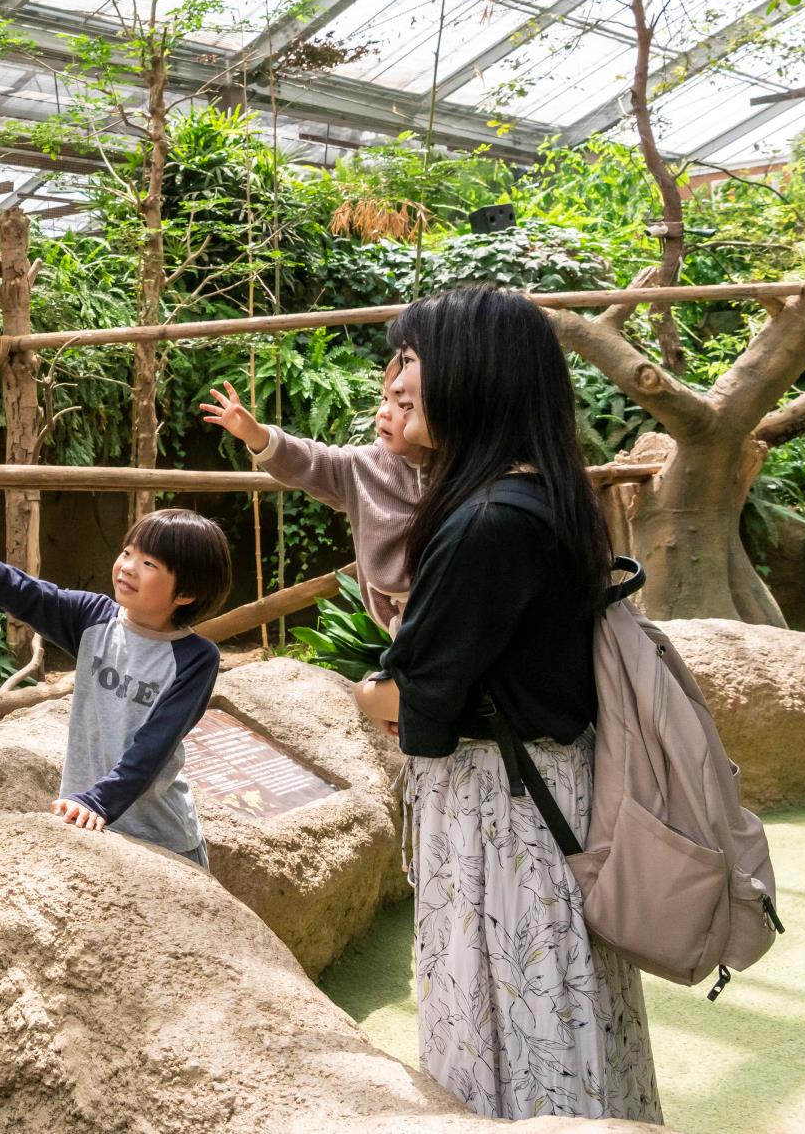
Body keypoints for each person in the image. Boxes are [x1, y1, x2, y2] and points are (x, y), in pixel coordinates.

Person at [350, 285, 662, 1122]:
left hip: (504, 816)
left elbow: (422, 707)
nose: (396, 378)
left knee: (506, 1011)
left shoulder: (487, 520)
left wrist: (370, 691)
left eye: (412, 359)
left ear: (475, 372)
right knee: (562, 1006)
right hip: (545, 796)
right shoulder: (540, 495)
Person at [0, 475, 229, 866]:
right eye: (127, 553)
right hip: (85, 819)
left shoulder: (195, 658)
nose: (128, 567)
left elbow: (152, 749)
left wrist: (97, 801)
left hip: (161, 838)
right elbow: (21, 591)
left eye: (149, 563)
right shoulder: (93, 618)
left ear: (186, 593)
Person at [198, 364, 428, 630]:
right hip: (402, 626)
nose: (384, 413)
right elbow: (310, 462)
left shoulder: (464, 469)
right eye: (384, 399)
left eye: (404, 405)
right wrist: (257, 436)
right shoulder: (364, 465)